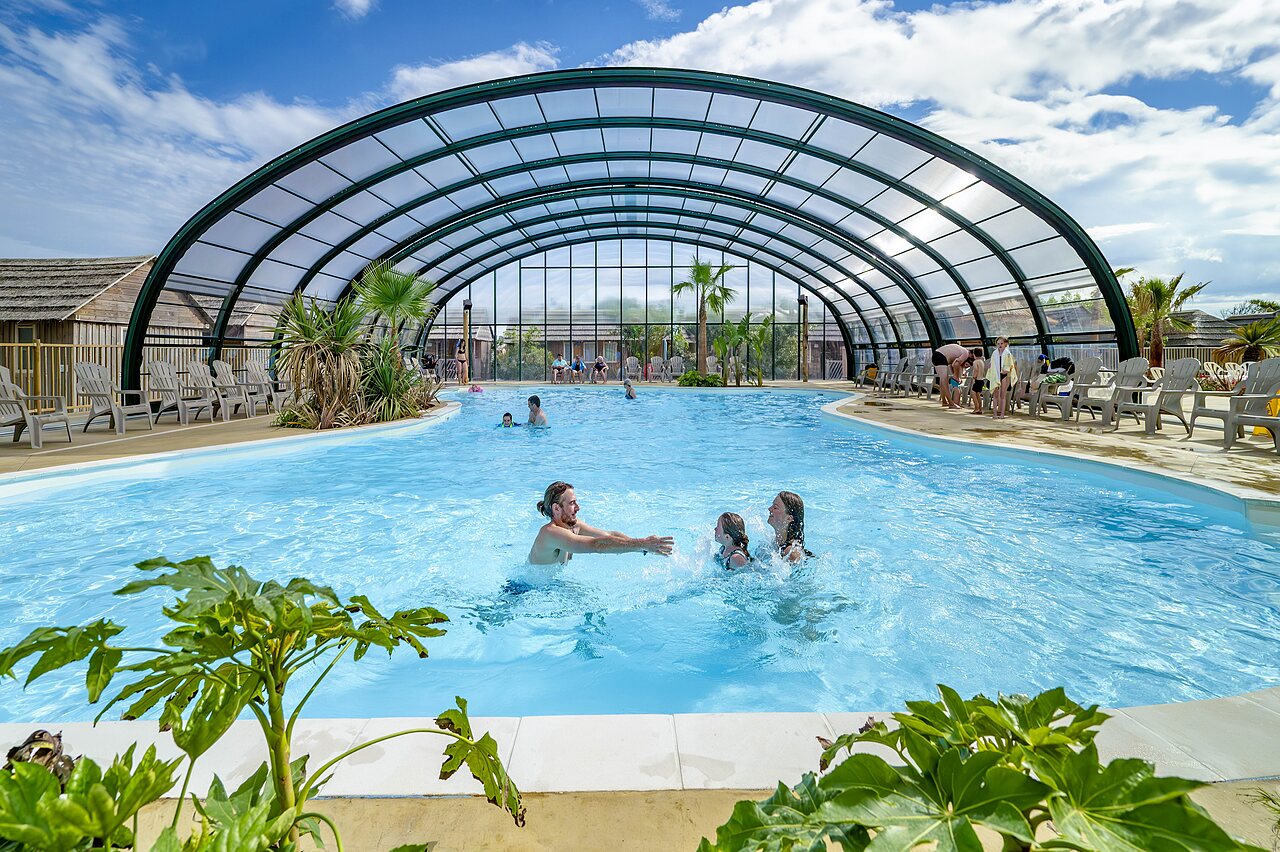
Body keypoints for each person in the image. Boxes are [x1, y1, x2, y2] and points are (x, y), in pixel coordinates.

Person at [528, 481, 674, 564]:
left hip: (550, 586)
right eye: (572, 503)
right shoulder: (550, 533)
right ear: (556, 508)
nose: (578, 508)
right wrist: (642, 543)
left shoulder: (574, 526)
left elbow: (608, 535)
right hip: (525, 589)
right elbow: (596, 545)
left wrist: (644, 548)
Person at [766, 491, 812, 563]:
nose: (769, 509)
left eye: (775, 507)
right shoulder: (772, 542)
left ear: (789, 518)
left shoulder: (792, 554)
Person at [931, 343, 973, 409]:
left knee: (943, 380)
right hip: (941, 356)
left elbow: (952, 365)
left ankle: (944, 401)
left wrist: (955, 375)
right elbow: (956, 364)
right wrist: (956, 377)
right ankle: (951, 403)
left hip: (936, 355)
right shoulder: (966, 353)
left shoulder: (959, 352)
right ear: (971, 355)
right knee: (944, 381)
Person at [987, 336, 1017, 420]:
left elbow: (1011, 365)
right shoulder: (994, 353)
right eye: (998, 344)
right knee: (995, 395)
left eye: (1001, 343)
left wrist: (1006, 370)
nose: (1000, 345)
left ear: (1005, 344)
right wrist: (990, 366)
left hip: (1004, 375)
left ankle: (1002, 414)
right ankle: (995, 414)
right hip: (996, 374)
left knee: (1003, 395)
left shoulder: (1008, 354)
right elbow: (991, 363)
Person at [968, 348, 987, 415]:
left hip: (977, 380)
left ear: (974, 354)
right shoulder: (981, 362)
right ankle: (980, 409)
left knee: (973, 393)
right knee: (978, 395)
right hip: (981, 380)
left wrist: (974, 377)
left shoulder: (975, 362)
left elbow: (976, 370)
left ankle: (976, 408)